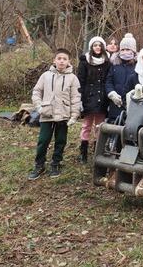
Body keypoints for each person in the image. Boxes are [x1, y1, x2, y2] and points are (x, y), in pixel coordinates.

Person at [28, 48, 81, 179]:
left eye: (64, 59)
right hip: (47, 114)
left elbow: (76, 98)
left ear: (69, 61)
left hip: (63, 116)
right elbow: (36, 92)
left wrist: (74, 116)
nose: (62, 61)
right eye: (59, 58)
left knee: (61, 141)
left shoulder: (73, 78)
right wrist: (39, 107)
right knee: (43, 140)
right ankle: (39, 165)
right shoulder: (45, 76)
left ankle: (56, 163)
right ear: (54, 60)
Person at [76, 36, 111, 164]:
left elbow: (108, 80)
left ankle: (98, 152)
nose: (97, 47)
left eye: (100, 45)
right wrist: (80, 99)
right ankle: (83, 154)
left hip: (102, 98)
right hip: (88, 98)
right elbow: (80, 81)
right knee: (86, 126)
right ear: (91, 47)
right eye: (95, 45)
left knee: (99, 127)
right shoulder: (85, 61)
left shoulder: (107, 62)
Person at [106, 33, 137, 121]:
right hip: (115, 106)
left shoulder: (138, 66)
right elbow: (108, 82)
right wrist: (111, 93)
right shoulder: (114, 65)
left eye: (128, 49)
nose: (125, 52)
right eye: (122, 49)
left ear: (133, 51)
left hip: (133, 106)